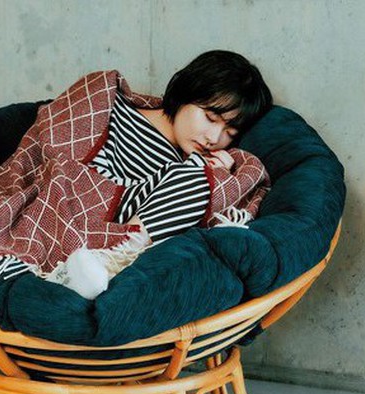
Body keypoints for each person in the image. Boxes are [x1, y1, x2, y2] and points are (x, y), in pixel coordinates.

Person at [47, 50, 273, 299]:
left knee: (202, 181)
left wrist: (216, 177)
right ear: (186, 92)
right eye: (210, 117)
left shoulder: (196, 165)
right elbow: (61, 160)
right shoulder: (110, 105)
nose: (213, 138)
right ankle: (95, 261)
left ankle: (107, 261)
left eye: (230, 132)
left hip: (128, 238)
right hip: (75, 209)